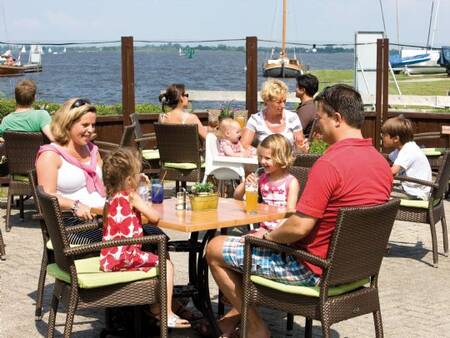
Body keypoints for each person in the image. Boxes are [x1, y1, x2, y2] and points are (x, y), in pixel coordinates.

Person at [206, 84, 393, 338]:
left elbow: (299, 227)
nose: (317, 124)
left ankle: (255, 327)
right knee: (250, 248)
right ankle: (233, 319)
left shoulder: (329, 164)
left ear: (337, 119)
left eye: (320, 117)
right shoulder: (381, 163)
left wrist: (268, 237)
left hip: (311, 270)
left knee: (216, 247)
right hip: (356, 272)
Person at [100, 147, 190, 329]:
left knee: (157, 253)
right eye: (136, 173)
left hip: (110, 257)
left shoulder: (110, 198)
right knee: (166, 266)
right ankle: (167, 313)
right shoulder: (132, 197)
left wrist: (137, 180)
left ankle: (155, 306)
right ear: (128, 180)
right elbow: (155, 219)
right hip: (126, 256)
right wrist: (139, 190)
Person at [36, 98, 105, 223]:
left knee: (149, 230)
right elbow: (47, 196)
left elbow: (105, 185)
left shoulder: (93, 151)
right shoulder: (50, 155)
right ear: (68, 124)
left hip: (102, 218)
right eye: (85, 125)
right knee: (142, 237)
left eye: (93, 125)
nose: (90, 130)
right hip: (73, 224)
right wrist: (75, 205)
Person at [234, 134, 299, 231]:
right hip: (263, 229)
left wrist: (272, 233)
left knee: (215, 243)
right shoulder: (262, 179)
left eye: (267, 158)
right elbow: (237, 197)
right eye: (260, 157)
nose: (262, 161)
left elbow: (290, 214)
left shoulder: (291, 182)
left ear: (282, 158)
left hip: (279, 234)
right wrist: (245, 184)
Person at [240, 79, 308, 152]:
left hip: (288, 161)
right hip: (264, 161)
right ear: (267, 101)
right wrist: (264, 153)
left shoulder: (292, 118)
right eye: (278, 102)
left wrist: (301, 148)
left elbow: (301, 146)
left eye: (284, 101)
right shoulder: (256, 119)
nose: (283, 105)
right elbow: (244, 145)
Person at [382, 115, 432, 200]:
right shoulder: (403, 147)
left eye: (384, 134)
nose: (382, 136)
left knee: (379, 193)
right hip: (411, 187)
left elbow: (392, 171)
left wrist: (374, 173)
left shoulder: (408, 150)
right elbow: (388, 158)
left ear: (396, 138)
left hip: (415, 192)